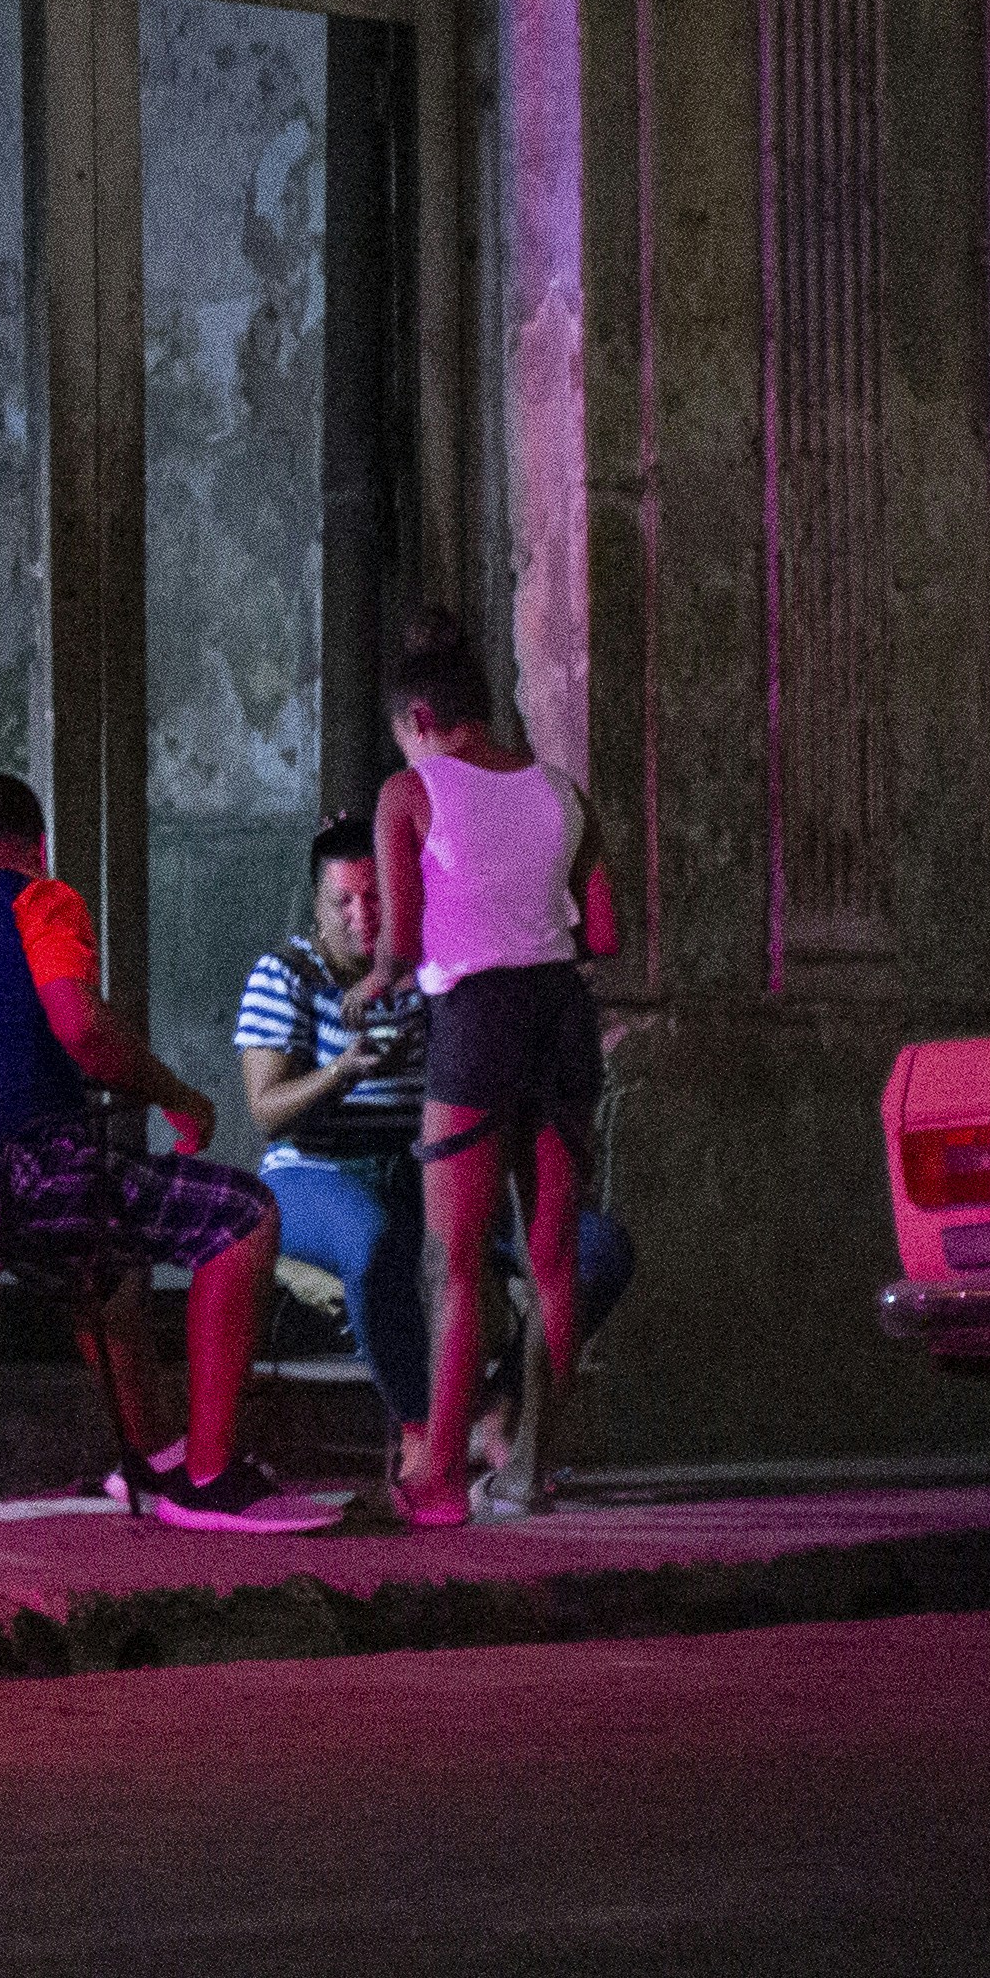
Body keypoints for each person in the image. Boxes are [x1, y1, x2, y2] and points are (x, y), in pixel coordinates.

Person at [0, 770, 338, 1532]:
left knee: (105, 1272)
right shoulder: (38, 898)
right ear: (37, 847)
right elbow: (77, 1026)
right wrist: (181, 1095)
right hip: (13, 1182)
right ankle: (209, 1479)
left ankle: (155, 1460)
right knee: (245, 1215)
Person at [242, 815, 633, 1468]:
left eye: (376, 898)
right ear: (316, 905)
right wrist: (341, 1073)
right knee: (376, 1242)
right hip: (315, 1172)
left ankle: (502, 1408)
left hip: (430, 1167)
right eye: (344, 902)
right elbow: (266, 1113)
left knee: (596, 1251)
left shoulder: (428, 970)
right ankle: (425, 1433)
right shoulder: (284, 975)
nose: (363, 916)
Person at [357, 608, 625, 1526]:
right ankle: (534, 1471)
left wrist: (380, 984)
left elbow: (398, 938)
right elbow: (605, 932)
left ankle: (434, 1480)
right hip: (561, 1014)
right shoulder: (561, 789)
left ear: (420, 721)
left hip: (475, 1017)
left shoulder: (410, 792)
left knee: (457, 1261)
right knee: (553, 1256)